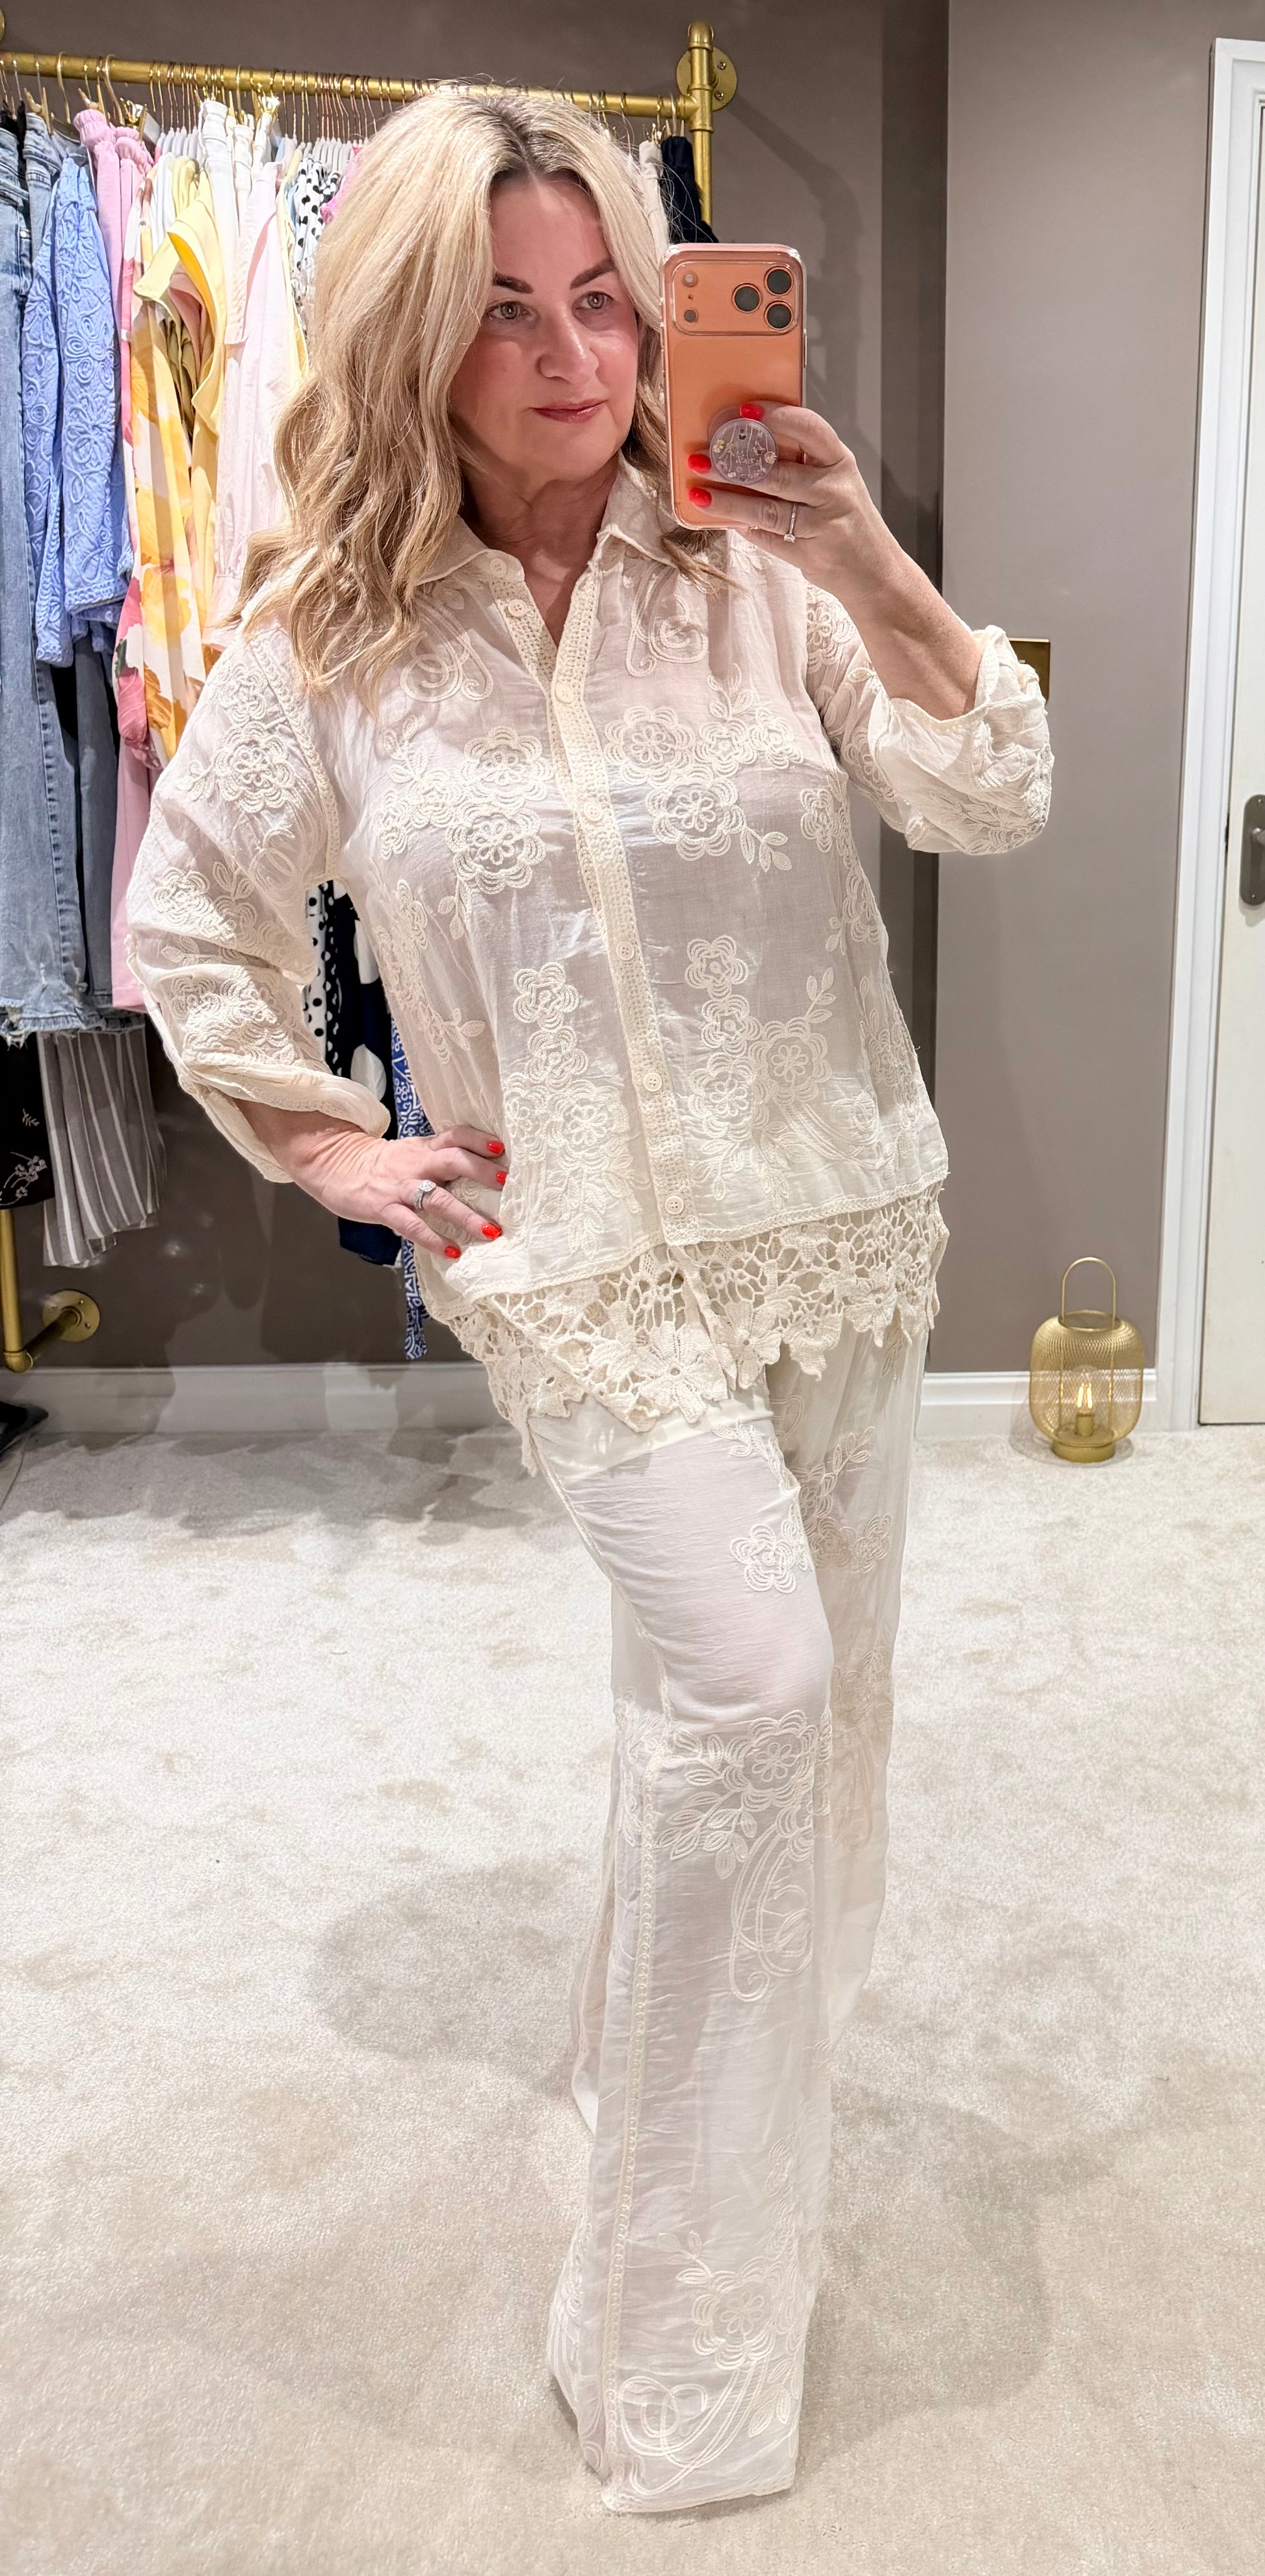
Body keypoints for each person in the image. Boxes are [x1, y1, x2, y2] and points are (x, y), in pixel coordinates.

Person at [126, 90, 1051, 2516]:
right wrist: (333, 1141)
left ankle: (636, 2065)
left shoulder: (756, 569)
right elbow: (188, 927)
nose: (571, 358)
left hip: (836, 1222)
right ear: (411, 345)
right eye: (505, 314)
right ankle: (679, 2357)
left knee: (777, 1742)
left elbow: (988, 791)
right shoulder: (332, 634)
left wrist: (866, 559)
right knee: (753, 1692)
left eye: (605, 303)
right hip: (585, 1268)